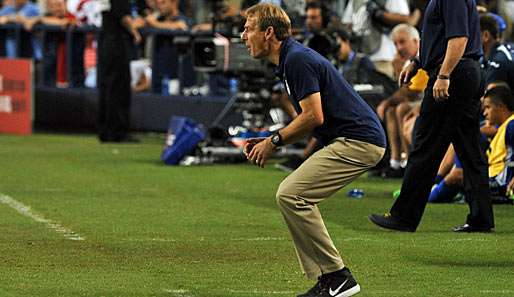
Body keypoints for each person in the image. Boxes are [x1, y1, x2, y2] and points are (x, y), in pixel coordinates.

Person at [241, 3, 386, 296]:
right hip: (351, 139)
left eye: (248, 28)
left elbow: (312, 116)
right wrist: (273, 139)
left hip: (359, 142)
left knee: (291, 194)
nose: (244, 35)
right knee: (293, 196)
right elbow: (316, 118)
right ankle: (329, 280)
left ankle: (337, 276)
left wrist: (274, 141)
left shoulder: (296, 60)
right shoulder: (291, 59)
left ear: (268, 33)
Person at [369, 0, 495, 233]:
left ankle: (403, 216)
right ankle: (481, 217)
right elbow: (439, 36)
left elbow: (458, 38)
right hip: (465, 73)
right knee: (470, 151)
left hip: (454, 74)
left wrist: (444, 75)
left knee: (425, 146)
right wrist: (417, 62)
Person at [375, 24, 427, 178]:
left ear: (416, 41)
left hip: (429, 100)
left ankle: (409, 161)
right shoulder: (406, 61)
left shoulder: (422, 57)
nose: (399, 48)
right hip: (418, 100)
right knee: (392, 111)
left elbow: (411, 92)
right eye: (396, 44)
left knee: (400, 108)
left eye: (402, 42)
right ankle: (395, 162)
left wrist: (387, 101)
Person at [97, 0, 141, 143]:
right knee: (118, 86)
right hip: (116, 40)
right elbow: (123, 15)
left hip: (106, 37)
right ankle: (117, 131)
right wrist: (134, 31)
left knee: (107, 85)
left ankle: (105, 129)